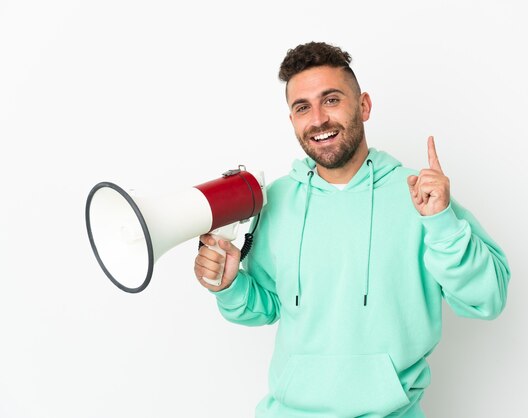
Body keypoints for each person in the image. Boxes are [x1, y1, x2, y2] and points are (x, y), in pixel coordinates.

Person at [194, 41, 510, 418]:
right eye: (302, 107)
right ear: (292, 121)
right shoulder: (276, 200)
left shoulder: (420, 195)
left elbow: (487, 298)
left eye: (331, 100)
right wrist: (230, 285)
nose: (317, 119)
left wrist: (441, 223)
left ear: (364, 106)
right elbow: (266, 307)